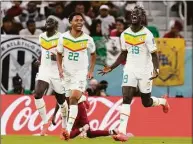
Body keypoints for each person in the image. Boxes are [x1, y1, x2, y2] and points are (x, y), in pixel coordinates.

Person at [98, 5, 170, 142]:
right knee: (126, 98)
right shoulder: (124, 34)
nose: (135, 14)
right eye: (133, 13)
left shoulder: (147, 34)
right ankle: (122, 132)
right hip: (130, 68)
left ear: (142, 17)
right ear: (130, 16)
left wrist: (157, 70)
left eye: (138, 13)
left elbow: (154, 55)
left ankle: (163, 101)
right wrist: (111, 67)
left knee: (146, 102)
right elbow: (124, 54)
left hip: (145, 70)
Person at [56, 12, 96, 140]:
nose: (80, 22)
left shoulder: (88, 39)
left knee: (73, 98)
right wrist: (60, 69)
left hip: (80, 73)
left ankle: (67, 130)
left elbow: (93, 54)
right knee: (68, 101)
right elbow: (58, 54)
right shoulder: (63, 37)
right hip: (67, 74)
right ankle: (78, 128)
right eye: (77, 20)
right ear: (70, 22)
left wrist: (90, 70)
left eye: (81, 20)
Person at [34, 17, 67, 136]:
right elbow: (43, 51)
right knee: (37, 94)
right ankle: (44, 123)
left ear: (56, 26)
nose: (48, 23)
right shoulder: (41, 36)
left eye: (51, 22)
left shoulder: (61, 37)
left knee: (61, 101)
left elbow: (67, 54)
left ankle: (64, 126)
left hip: (57, 71)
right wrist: (38, 59)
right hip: (44, 69)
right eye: (47, 21)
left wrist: (58, 58)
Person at [51, 95, 117, 139]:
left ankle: (82, 129)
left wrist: (54, 114)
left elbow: (60, 100)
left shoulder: (66, 83)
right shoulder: (77, 80)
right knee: (89, 134)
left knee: (68, 134)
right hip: (80, 106)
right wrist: (86, 101)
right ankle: (111, 132)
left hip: (74, 108)